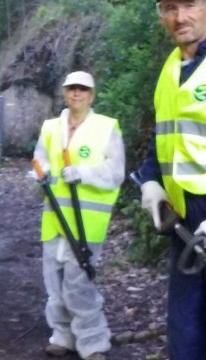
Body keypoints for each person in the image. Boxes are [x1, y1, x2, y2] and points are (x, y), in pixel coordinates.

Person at [33, 71, 125, 360]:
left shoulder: (106, 128)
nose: (77, 94)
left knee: (78, 285)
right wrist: (40, 175)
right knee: (54, 283)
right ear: (64, 93)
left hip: (87, 223)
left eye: (83, 90)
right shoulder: (50, 128)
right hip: (55, 218)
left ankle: (94, 342)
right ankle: (63, 336)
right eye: (72, 89)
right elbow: (38, 160)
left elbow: (115, 173)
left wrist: (83, 173)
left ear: (92, 95)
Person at [134, 1, 206, 359]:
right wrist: (150, 181)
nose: (180, 18)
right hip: (183, 219)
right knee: (185, 324)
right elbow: (161, 139)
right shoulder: (170, 68)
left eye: (190, 4)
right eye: (169, 7)